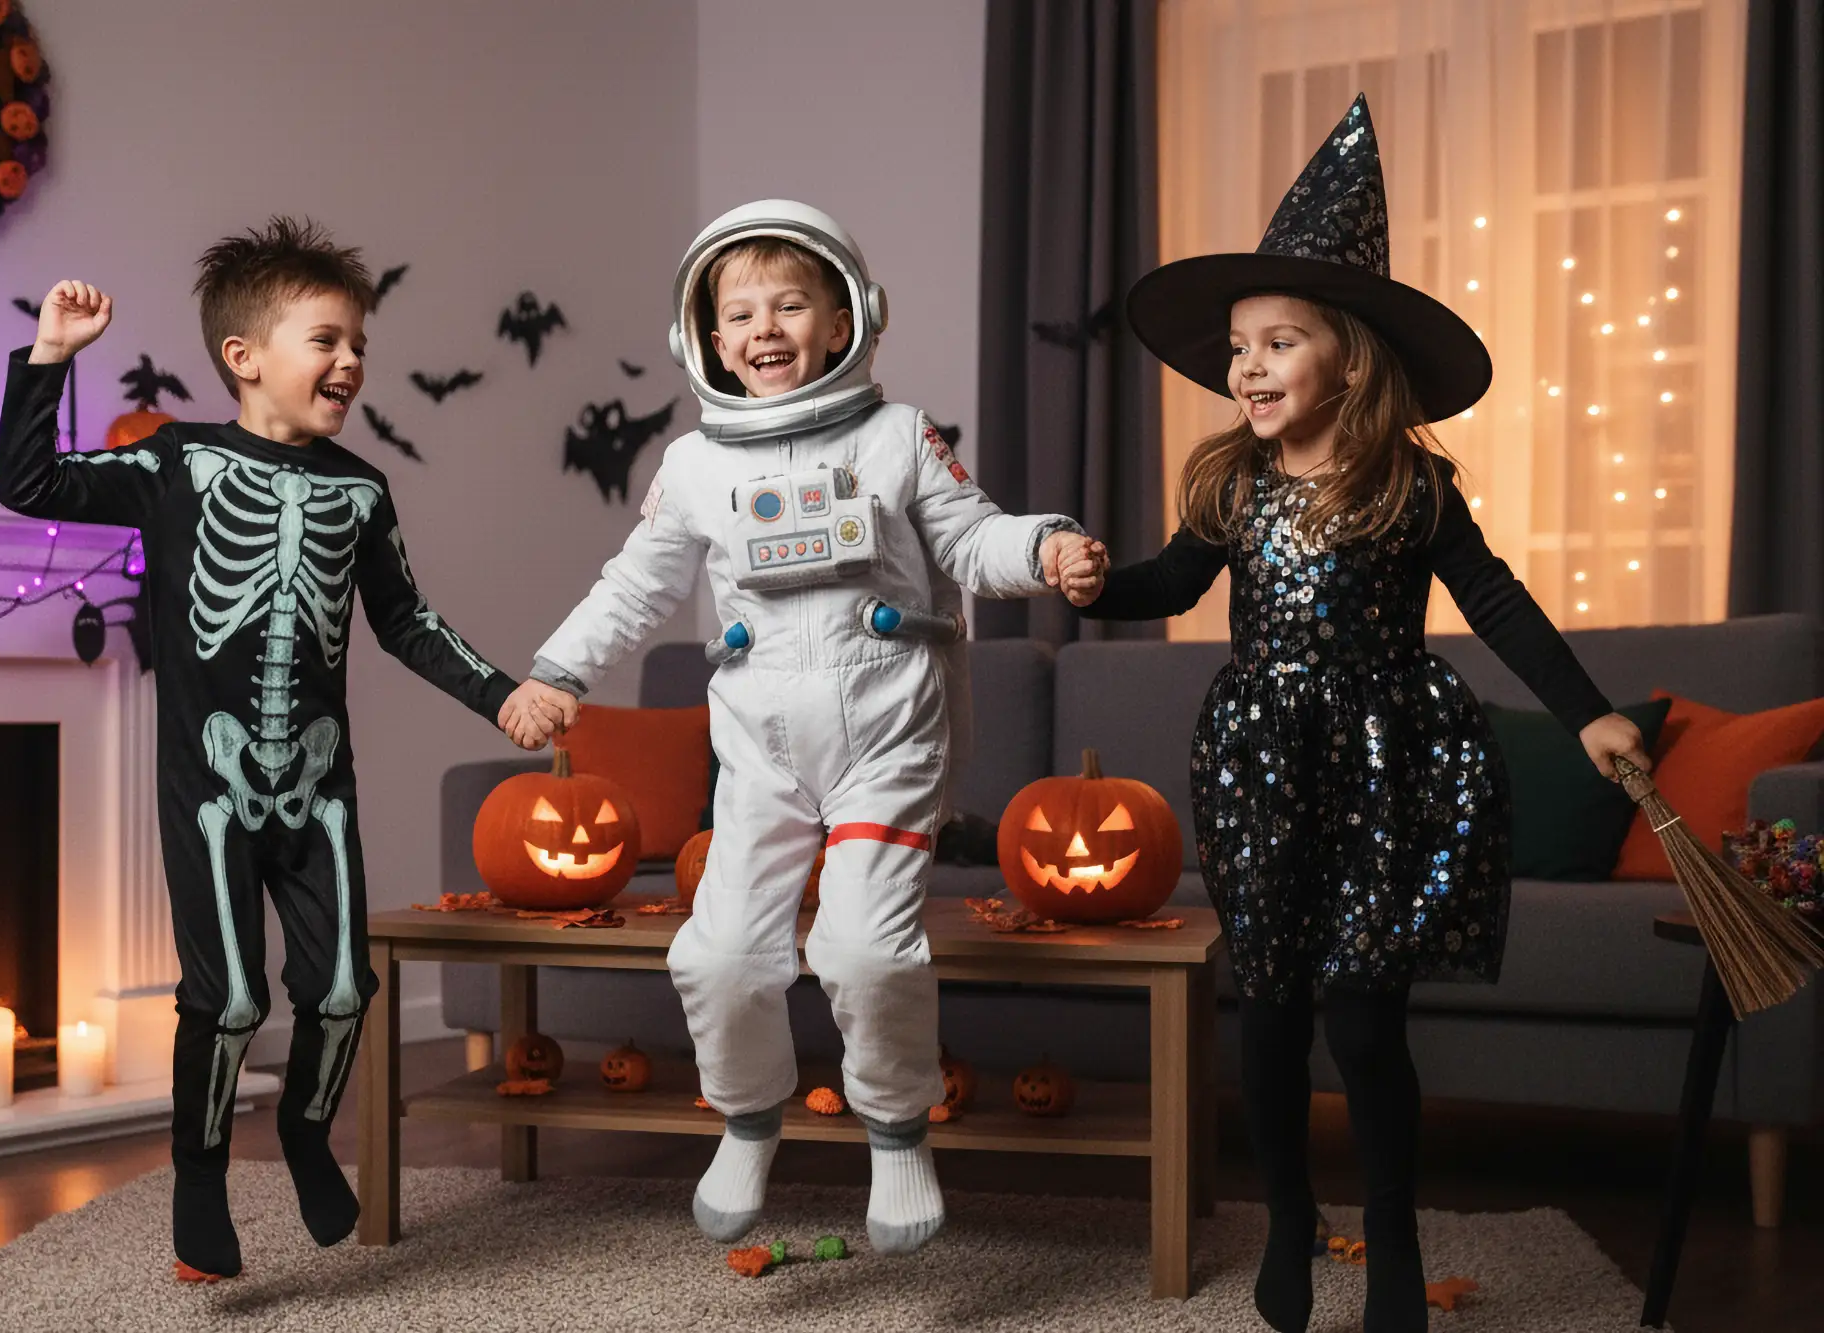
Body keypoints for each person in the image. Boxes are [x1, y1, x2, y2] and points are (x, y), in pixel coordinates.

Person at [1077, 97, 1652, 1332]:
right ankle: (1287, 1215)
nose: (1246, 367)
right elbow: (1169, 587)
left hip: (1390, 761)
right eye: (1237, 348)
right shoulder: (1231, 484)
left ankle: (1389, 1233)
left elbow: (1496, 604)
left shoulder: (1405, 482)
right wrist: (1092, 581)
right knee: (1273, 1012)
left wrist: (1592, 714)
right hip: (1259, 766)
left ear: (1347, 355)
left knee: (1360, 1011)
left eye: (1277, 342)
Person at [500, 199, 1105, 1254]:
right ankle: (744, 1116)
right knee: (719, 955)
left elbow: (973, 541)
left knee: (865, 954)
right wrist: (557, 669)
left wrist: (1045, 549)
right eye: (739, 313)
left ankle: (895, 1129)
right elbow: (633, 587)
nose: (764, 328)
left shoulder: (895, 434)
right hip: (761, 755)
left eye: (790, 304)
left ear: (844, 319)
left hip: (884, 737)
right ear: (707, 337)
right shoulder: (695, 465)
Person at [0, 218, 541, 1282]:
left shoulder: (361, 487)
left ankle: (303, 1130)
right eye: (326, 341)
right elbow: (33, 487)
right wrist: (51, 358)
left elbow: (408, 622)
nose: (349, 363)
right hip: (209, 786)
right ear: (244, 356)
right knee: (231, 997)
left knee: (342, 991)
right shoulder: (173, 462)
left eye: (359, 347)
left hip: (319, 783)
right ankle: (200, 1177)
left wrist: (503, 694)